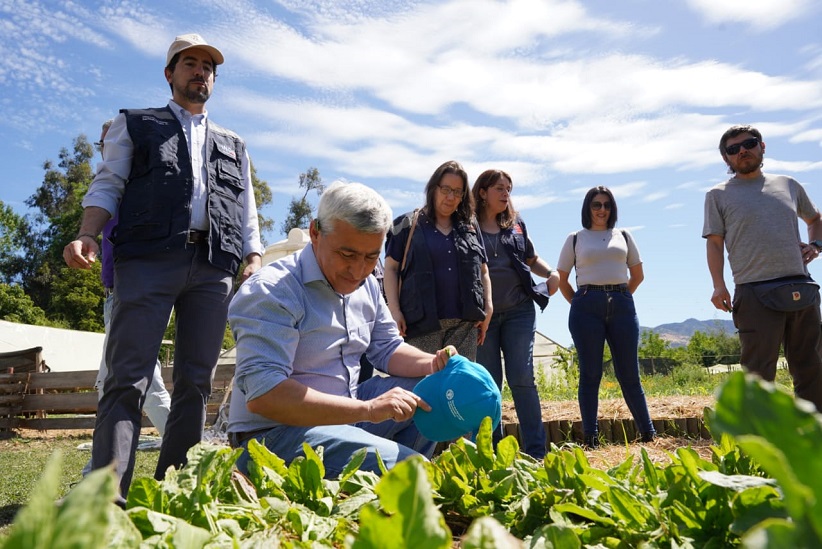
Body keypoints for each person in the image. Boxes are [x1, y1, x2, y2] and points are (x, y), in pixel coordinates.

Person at [63, 33, 263, 500]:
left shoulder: (234, 143)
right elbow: (107, 183)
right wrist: (88, 234)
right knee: (126, 378)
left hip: (213, 269)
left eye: (207, 67)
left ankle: (174, 491)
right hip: (147, 262)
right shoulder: (134, 124)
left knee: (196, 381)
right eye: (189, 63)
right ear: (170, 73)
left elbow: (247, 208)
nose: (200, 72)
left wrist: (252, 256)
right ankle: (105, 500)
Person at [227, 181, 453, 478]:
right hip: (273, 437)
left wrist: (437, 363)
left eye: (371, 257)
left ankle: (385, 486)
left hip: (342, 419)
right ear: (315, 233)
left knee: (432, 393)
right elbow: (266, 395)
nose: (358, 270)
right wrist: (368, 409)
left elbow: (387, 348)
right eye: (347, 255)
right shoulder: (273, 291)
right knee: (412, 471)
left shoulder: (368, 286)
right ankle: (399, 479)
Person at [703, 124, 822, 410]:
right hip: (754, 292)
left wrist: (816, 246)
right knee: (757, 377)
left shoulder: (788, 185)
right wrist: (718, 285)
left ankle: (813, 444)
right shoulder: (717, 195)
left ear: (762, 146)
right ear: (726, 159)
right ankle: (755, 447)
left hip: (800, 286)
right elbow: (715, 244)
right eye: (733, 149)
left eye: (749, 143)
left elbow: (815, 219)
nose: (743, 150)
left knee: (813, 371)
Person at [80, 120, 172, 477]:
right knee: (114, 383)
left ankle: (97, 475)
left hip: (134, 295)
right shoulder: (107, 190)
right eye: (102, 142)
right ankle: (97, 472)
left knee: (138, 383)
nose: (107, 148)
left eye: (113, 142)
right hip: (114, 296)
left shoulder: (136, 188)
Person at [556, 186, 656, 447]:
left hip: (622, 306)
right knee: (590, 374)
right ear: (587, 208)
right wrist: (580, 301)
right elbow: (562, 278)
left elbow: (638, 275)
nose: (602, 210)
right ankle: (591, 438)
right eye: (596, 205)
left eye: (607, 205)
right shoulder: (576, 238)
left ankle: (649, 434)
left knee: (629, 374)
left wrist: (619, 296)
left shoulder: (624, 235)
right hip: (586, 308)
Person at [472, 169, 559, 459]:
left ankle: (536, 453)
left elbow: (531, 259)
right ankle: (491, 455)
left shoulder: (516, 223)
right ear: (482, 192)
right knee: (488, 384)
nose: (505, 192)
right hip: (482, 318)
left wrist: (551, 273)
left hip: (520, 311)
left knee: (522, 378)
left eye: (508, 188)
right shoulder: (467, 226)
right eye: (499, 187)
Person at [383, 160, 492, 360]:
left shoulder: (470, 226)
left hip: (464, 326)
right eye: (446, 189)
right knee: (423, 386)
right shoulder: (407, 224)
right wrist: (395, 311)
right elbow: (390, 269)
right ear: (433, 189)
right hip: (421, 326)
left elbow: (483, 271)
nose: (451, 197)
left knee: (459, 386)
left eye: (458, 192)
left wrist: (489, 306)